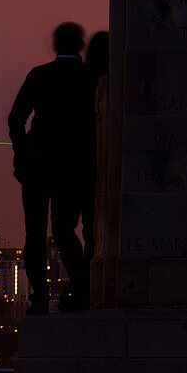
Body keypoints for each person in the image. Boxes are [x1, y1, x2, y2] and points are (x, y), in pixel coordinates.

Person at [8, 22, 95, 314]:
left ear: (55, 45)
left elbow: (15, 118)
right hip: (72, 168)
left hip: (37, 166)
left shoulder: (40, 75)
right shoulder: (90, 79)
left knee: (34, 234)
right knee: (64, 230)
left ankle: (40, 297)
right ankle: (80, 286)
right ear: (80, 45)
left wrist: (23, 151)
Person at [82, 30, 109, 263]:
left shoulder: (83, 81)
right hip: (108, 161)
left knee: (88, 226)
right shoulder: (117, 83)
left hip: (84, 160)